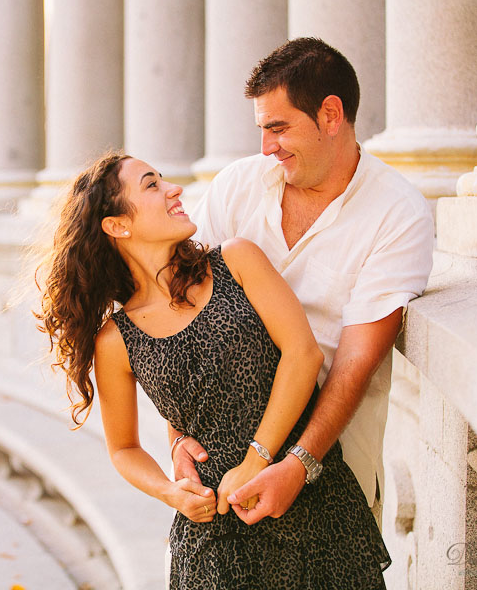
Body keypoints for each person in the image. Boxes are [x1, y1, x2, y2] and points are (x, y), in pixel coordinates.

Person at [37, 152, 390, 588]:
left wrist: (255, 459)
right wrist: (171, 491)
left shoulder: (236, 262)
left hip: (308, 501)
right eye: (151, 185)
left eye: (164, 179)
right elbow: (123, 448)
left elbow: (303, 355)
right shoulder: (115, 340)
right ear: (117, 225)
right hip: (215, 535)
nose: (174, 189)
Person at [174, 37, 435, 529]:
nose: (266, 147)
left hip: (329, 476)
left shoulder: (399, 214)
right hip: (219, 471)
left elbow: (355, 363)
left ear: (331, 116)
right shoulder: (237, 185)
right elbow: (180, 312)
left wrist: (297, 466)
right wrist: (176, 439)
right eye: (262, 129)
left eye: (278, 128)